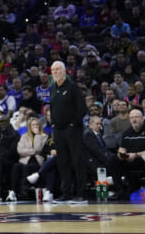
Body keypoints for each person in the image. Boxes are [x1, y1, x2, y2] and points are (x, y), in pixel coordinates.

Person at [49, 61, 88, 203]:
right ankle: (66, 193)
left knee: (77, 160)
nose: (55, 72)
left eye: (58, 69)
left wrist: (74, 123)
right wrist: (52, 123)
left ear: (64, 71)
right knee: (62, 162)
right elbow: (52, 108)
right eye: (53, 70)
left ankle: (81, 193)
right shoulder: (52, 88)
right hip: (58, 130)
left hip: (72, 130)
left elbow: (82, 108)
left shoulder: (72, 87)